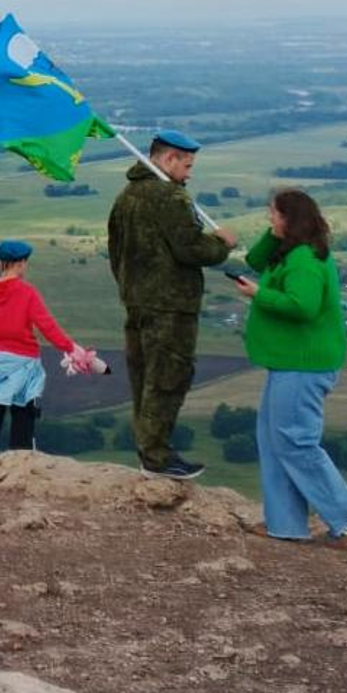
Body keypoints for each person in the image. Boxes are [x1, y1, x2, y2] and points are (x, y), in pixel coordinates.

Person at [234, 189, 347, 542]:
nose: (269, 218)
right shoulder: (290, 251)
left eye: (274, 214)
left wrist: (258, 294)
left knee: (294, 441)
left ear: (290, 219)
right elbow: (255, 260)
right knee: (272, 440)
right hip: (289, 362)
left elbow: (303, 306)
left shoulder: (304, 259)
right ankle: (285, 525)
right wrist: (274, 233)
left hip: (304, 365)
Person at [107, 129, 237, 479]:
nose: (189, 174)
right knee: (168, 376)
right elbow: (191, 249)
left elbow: (115, 251)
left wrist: (132, 288)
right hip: (170, 305)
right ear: (168, 159)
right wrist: (222, 244)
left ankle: (148, 450)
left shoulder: (126, 196)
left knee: (143, 376)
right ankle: (157, 456)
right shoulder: (170, 196)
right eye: (187, 165)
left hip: (136, 301)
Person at [0, 239, 90, 470]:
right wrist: (70, 348)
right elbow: (47, 326)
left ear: (1, 263)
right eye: (26, 262)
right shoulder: (27, 293)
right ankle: (20, 474)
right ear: (21, 263)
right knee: (23, 424)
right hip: (24, 366)